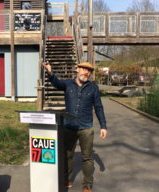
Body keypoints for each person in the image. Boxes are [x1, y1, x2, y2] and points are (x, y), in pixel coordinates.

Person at [42, 61, 107, 192]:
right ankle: (67, 178)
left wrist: (103, 126)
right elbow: (56, 83)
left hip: (86, 128)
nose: (86, 72)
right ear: (77, 69)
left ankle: (87, 184)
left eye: (89, 70)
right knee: (67, 155)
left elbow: (98, 107)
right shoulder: (68, 84)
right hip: (69, 126)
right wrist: (50, 72)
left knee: (87, 158)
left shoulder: (93, 87)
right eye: (83, 69)